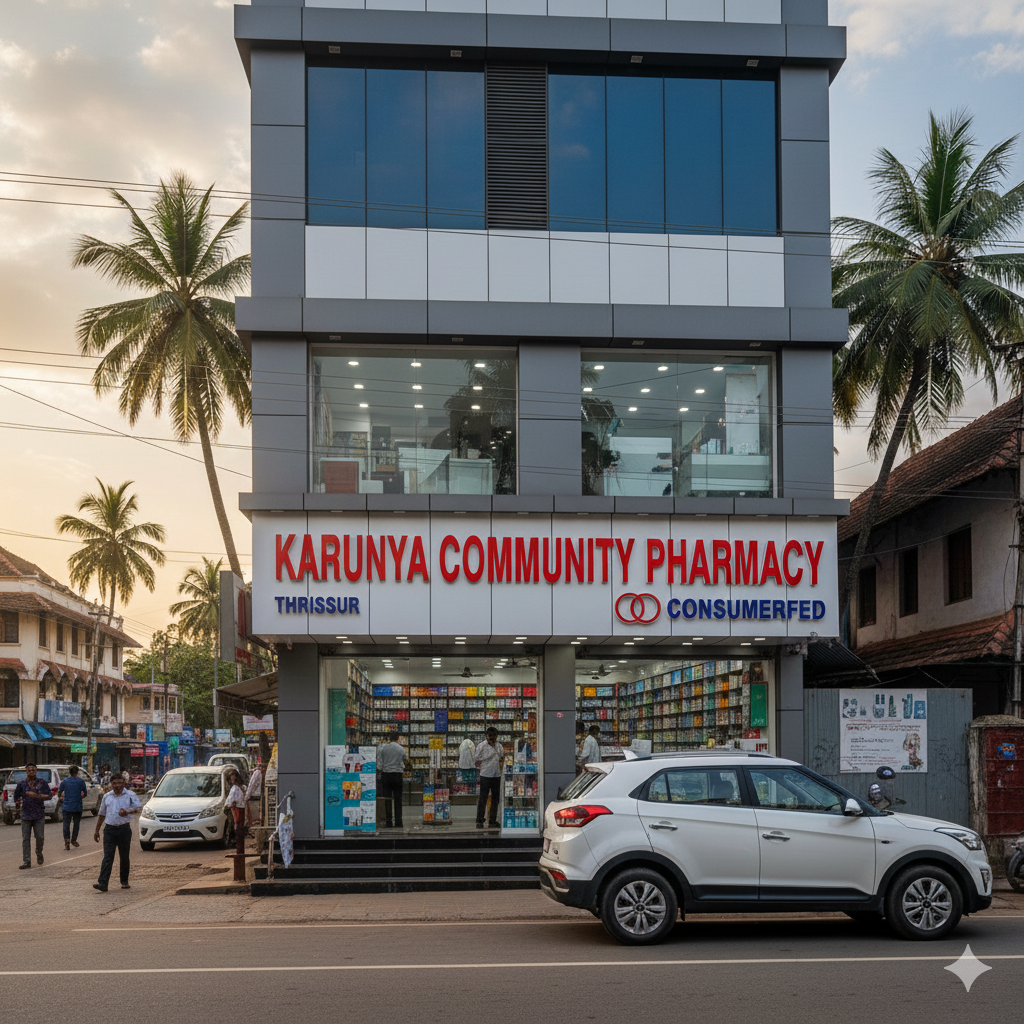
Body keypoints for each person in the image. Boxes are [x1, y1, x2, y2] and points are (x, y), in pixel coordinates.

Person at [93, 772, 141, 891]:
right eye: (114, 783)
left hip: (124, 829)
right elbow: (102, 814)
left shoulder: (130, 795)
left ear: (124, 783)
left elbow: (139, 808)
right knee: (108, 856)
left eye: (119, 783)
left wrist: (128, 811)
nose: (117, 785)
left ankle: (124, 881)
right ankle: (103, 883)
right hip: (109, 830)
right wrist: (97, 830)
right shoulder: (107, 797)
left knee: (124, 856)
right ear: (111, 784)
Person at [14, 763, 50, 868]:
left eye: (33, 770)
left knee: (40, 836)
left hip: (39, 814)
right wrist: (17, 805)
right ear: (26, 772)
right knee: (25, 838)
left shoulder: (42, 783)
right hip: (25, 814)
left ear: (36, 771)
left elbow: (49, 796)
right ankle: (27, 861)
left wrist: (37, 796)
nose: (31, 772)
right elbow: (16, 797)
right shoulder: (21, 784)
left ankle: (39, 852)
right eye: (29, 770)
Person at [474, 727, 505, 830]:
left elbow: (502, 757)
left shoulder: (499, 746)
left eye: (494, 736)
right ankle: (479, 820)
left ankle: (492, 820)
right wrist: (489, 754)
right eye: (490, 736)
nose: (492, 738)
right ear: (487, 736)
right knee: (483, 798)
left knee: (495, 799)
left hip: (496, 775)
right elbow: (476, 759)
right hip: (485, 775)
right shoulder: (481, 746)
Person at [377, 731, 408, 829]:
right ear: (398, 738)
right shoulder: (401, 749)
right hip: (397, 775)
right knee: (398, 799)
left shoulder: (383, 748)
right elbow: (405, 760)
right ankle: (399, 821)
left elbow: (379, 764)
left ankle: (388, 822)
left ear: (389, 738)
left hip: (386, 775)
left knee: (387, 799)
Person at [58, 764, 89, 850]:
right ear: (77, 772)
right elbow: (85, 793)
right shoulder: (81, 781)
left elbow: (59, 793)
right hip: (77, 806)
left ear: (69, 772)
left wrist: (63, 798)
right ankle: (74, 839)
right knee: (76, 824)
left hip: (66, 806)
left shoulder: (64, 781)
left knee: (66, 824)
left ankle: (66, 841)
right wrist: (79, 797)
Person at [225, 771, 247, 855]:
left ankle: (238, 848)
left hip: (236, 809)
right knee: (239, 827)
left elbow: (228, 803)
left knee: (236, 826)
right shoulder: (242, 787)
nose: (232, 779)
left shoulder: (235, 788)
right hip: (240, 809)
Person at [245, 761, 264, 827]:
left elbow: (251, 786)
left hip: (254, 797)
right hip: (256, 797)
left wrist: (246, 797)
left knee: (254, 818)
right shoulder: (258, 772)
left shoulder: (257, 773)